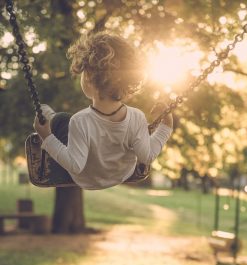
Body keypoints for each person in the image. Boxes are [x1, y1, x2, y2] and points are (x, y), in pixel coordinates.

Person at [33, 32, 173, 190]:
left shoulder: (79, 121)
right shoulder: (137, 117)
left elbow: (75, 165)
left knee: (60, 119)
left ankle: (50, 115)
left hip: (86, 179)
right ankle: (49, 114)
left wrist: (46, 137)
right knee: (62, 120)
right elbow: (147, 156)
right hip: (121, 174)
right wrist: (166, 127)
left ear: (89, 78)